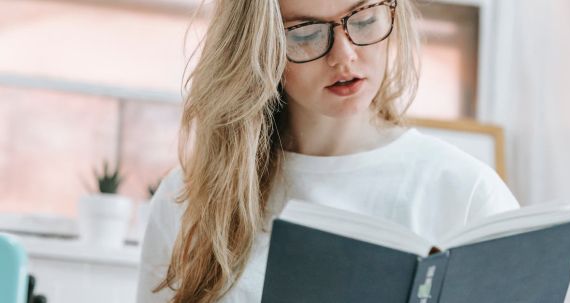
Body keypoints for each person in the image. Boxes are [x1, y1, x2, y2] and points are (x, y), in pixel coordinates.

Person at [136, 0, 520, 302]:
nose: (344, 56)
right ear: (261, 48)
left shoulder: (466, 191)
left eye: (364, 19)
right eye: (305, 34)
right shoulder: (188, 199)